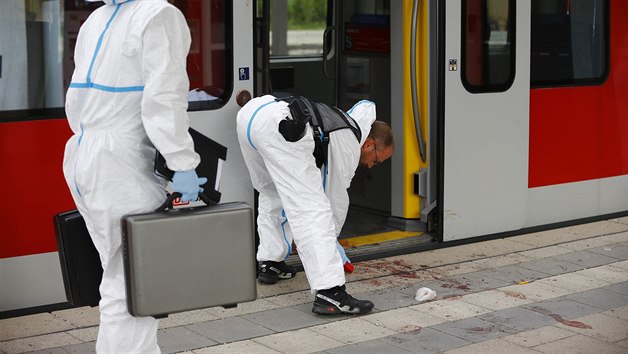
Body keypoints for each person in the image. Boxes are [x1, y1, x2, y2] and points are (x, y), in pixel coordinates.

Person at [62, 0, 205, 352]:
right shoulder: (159, 15)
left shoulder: (98, 17)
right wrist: (182, 163)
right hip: (121, 164)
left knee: (118, 275)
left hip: (85, 153)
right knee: (134, 280)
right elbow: (164, 100)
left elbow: (77, 100)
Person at [236, 94, 394, 315]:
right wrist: (333, 249)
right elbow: (334, 204)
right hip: (281, 130)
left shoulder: (342, 121)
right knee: (313, 210)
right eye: (376, 160)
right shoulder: (348, 141)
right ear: (369, 144)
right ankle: (330, 292)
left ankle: (271, 262)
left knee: (272, 193)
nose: (370, 166)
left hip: (251, 116)